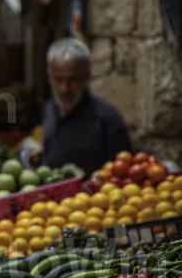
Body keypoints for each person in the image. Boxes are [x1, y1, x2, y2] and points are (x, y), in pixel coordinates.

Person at [34, 38, 132, 178]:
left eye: (72, 80)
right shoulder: (49, 109)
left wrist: (93, 178)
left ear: (87, 76)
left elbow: (125, 174)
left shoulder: (108, 119)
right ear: (49, 77)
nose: (64, 89)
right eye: (58, 79)